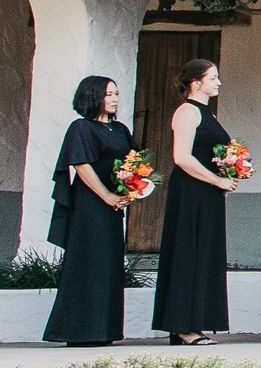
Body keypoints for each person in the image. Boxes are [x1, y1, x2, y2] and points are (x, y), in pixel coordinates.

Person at [43, 75, 134, 347]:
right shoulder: (80, 128)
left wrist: (129, 192)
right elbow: (81, 165)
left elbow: (134, 164)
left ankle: (103, 330)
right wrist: (106, 195)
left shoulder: (120, 130)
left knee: (109, 264)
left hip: (113, 206)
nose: (115, 98)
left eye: (116, 93)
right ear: (93, 96)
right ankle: (78, 331)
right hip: (90, 206)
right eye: (108, 94)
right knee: (88, 263)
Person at [152, 58, 237, 345]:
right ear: (195, 82)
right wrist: (217, 180)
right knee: (188, 252)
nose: (219, 82)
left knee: (205, 253)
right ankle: (182, 326)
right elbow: (182, 157)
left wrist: (229, 172)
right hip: (191, 191)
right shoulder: (187, 111)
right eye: (213, 78)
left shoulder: (207, 114)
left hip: (208, 193)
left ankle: (196, 322)